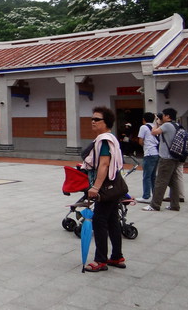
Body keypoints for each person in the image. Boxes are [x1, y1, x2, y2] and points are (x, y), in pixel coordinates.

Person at [82, 106, 125, 272]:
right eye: (92, 119)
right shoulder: (109, 138)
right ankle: (117, 257)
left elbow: (104, 164)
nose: (93, 122)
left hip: (105, 186)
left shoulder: (104, 140)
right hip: (114, 186)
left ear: (106, 122)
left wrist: (96, 187)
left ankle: (100, 260)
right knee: (112, 221)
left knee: (99, 221)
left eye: (97, 119)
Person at [143, 108, 182, 212]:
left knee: (160, 181)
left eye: (163, 115)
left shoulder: (166, 125)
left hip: (166, 159)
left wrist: (156, 122)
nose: (162, 116)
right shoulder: (176, 125)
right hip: (175, 157)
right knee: (173, 182)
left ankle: (155, 205)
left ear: (168, 116)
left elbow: (153, 132)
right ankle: (175, 205)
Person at [136, 112, 159, 203]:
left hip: (149, 153)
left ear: (143, 119)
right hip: (156, 153)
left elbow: (140, 141)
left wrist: (145, 145)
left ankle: (146, 196)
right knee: (153, 176)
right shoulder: (155, 127)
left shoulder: (143, 127)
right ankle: (155, 195)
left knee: (146, 176)